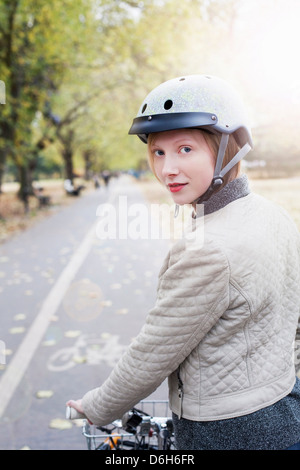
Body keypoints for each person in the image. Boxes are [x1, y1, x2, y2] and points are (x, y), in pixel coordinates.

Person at [67, 75, 300, 450]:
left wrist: (96, 407)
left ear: (226, 150)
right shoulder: (276, 216)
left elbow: (154, 352)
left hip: (227, 434)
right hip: (287, 416)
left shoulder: (206, 249)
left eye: (186, 149)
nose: (167, 169)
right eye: (158, 152)